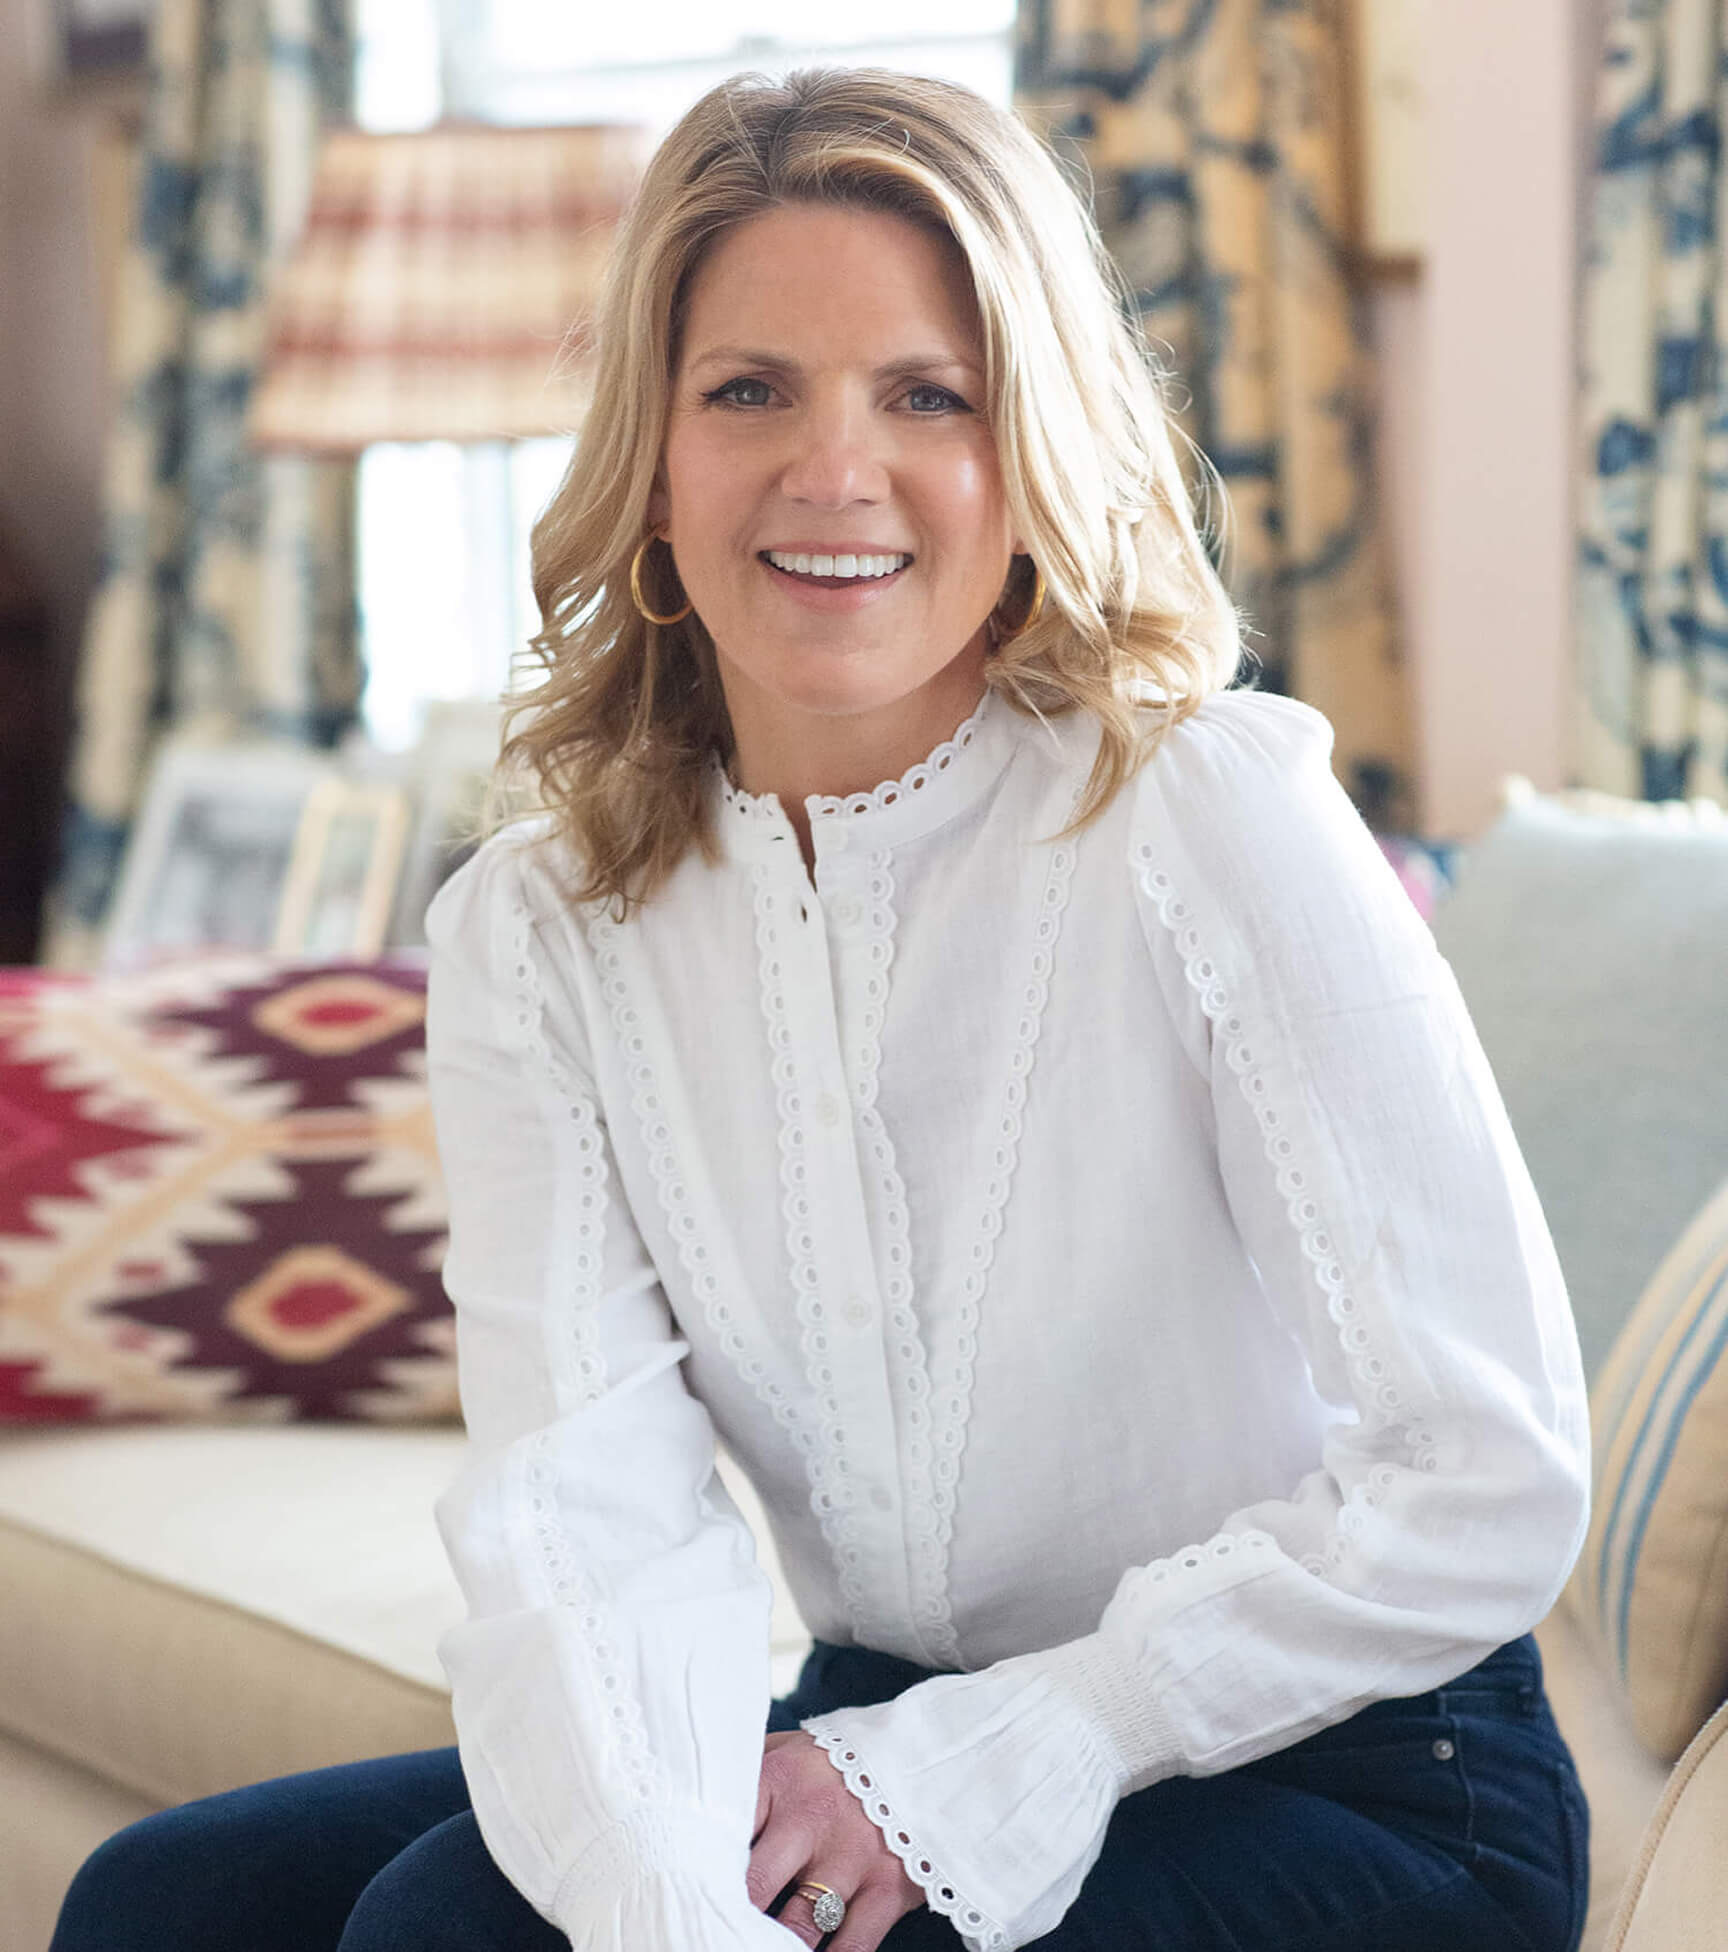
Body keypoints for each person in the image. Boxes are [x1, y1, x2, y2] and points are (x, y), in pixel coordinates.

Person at [51, 65, 1592, 1952]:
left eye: (927, 395)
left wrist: (1035, 1739)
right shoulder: (542, 928)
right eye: (749, 390)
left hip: (1360, 1774)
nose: (834, 470)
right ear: (653, 457)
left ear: (1029, 453)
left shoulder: (1205, 814)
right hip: (882, 1714)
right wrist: (662, 1898)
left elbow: (1485, 1469)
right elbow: (584, 1512)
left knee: (443, 1934)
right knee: (174, 1906)